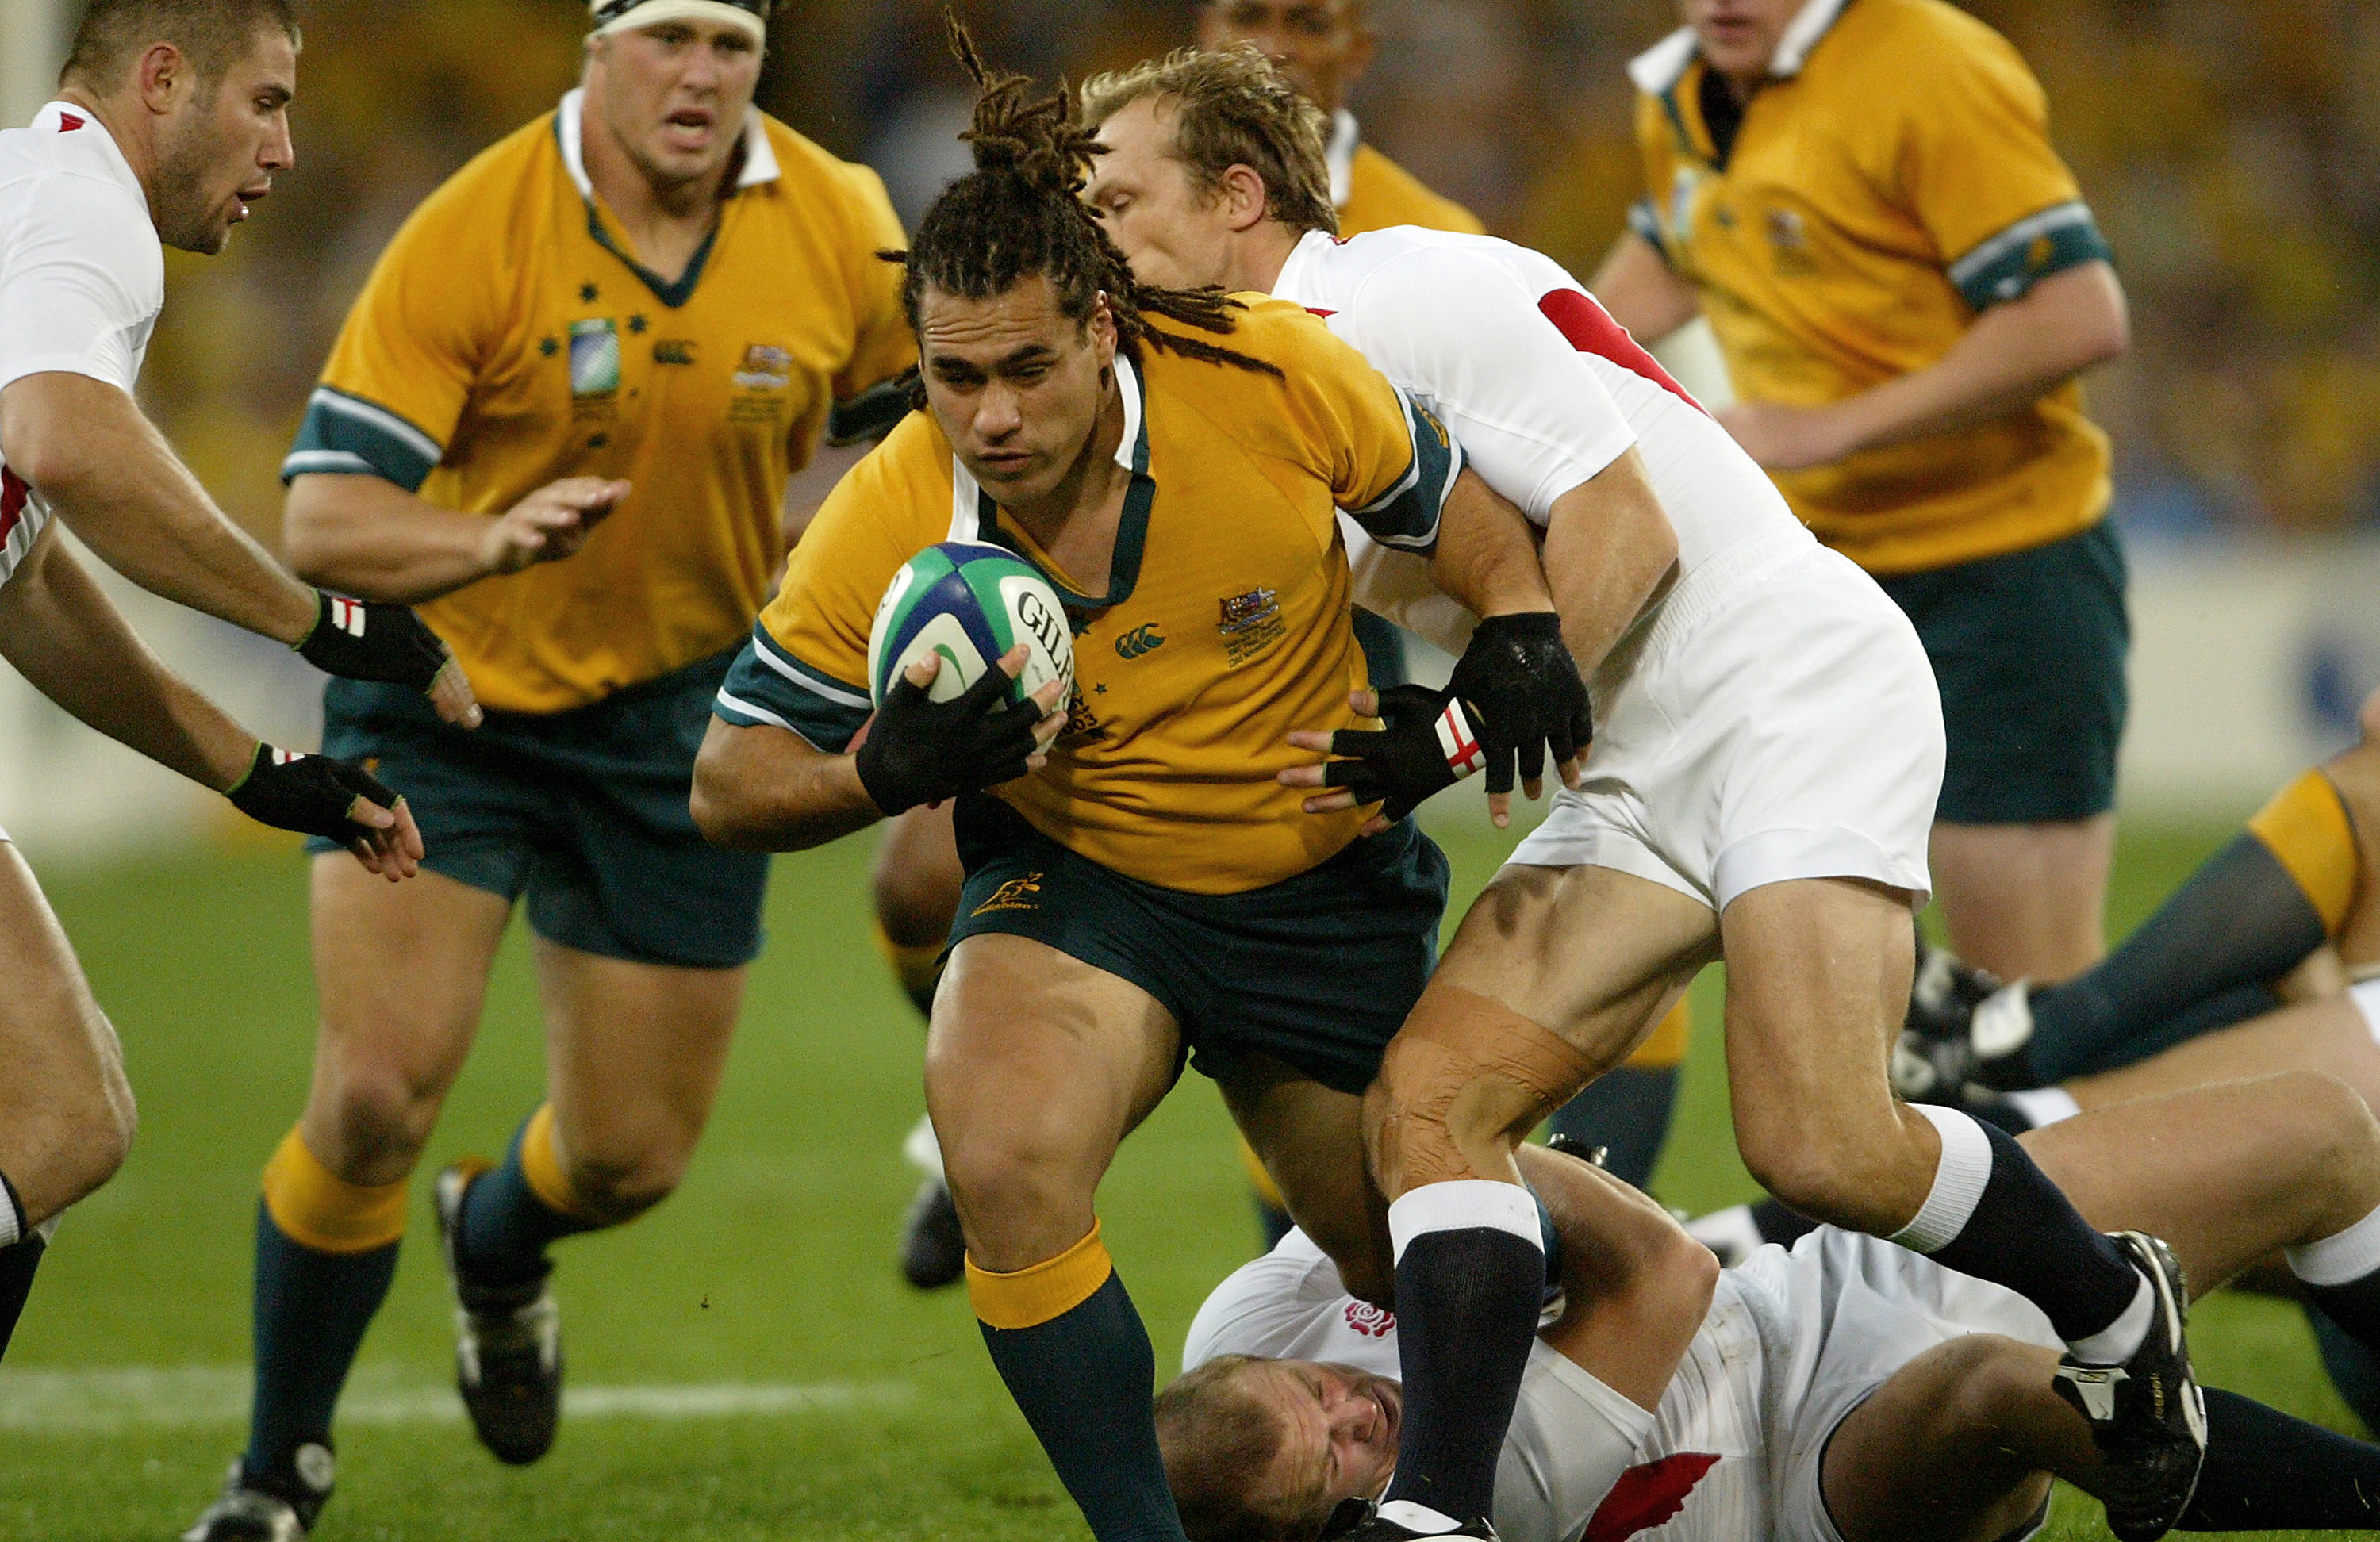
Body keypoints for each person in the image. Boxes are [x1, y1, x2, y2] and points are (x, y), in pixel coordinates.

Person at [1075, 47, 2200, 1542]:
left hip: (1780, 683)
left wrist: (1461, 733)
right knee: (1428, 1107)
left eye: (1119, 196)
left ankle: (2116, 1300)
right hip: (1636, 752)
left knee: (1823, 1145)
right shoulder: (1253, 377)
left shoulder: (1386, 301)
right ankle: (1438, 1515)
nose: (1097, 231)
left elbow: (1630, 521)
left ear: (1238, 194)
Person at [691, 29, 1583, 1542]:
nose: (992, 415)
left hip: (1320, 890)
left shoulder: (1277, 373)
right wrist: (878, 766)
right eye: (957, 376)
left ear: (1105, 324)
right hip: (1085, 887)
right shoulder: (897, 505)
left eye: (1029, 366)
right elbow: (726, 783)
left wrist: (1517, 627)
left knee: (1424, 1261)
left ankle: (1653, 1392)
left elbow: (1459, 510)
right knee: (1004, 1149)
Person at [180, 2, 918, 1536]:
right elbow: (321, 521)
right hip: (455, 708)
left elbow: (919, 435)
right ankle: (276, 1470)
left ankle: (496, 1237)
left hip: (689, 724)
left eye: (731, 40)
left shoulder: (843, 217)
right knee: (376, 1089)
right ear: (597, 48)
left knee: (631, 1156)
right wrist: (479, 540)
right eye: (668, 38)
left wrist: (833, 519)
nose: (701, 75)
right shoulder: (478, 226)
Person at [875, 0, 1610, 1292]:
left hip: (1335, 632)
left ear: (1245, 183)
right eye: (1243, 13)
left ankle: (1532, 1238)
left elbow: (1558, 466)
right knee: (913, 883)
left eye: (1301, 17)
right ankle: (995, 1109)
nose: (1266, 38)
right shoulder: (1133, 218)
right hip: (1149, 646)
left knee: (1379, 1071)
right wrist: (1002, 373)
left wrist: (1514, 645)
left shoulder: (1395, 250)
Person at [0, 0, 467, 1364]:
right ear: (161, 81)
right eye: (264, 103)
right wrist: (321, 623)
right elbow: (69, 443)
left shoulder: (34, 207)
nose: (285, 147)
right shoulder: (85, 211)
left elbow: (25, 580)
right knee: (52, 1113)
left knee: (64, 1116)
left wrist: (258, 769)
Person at [1162, 1079, 2380, 1542]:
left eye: (1315, 1396)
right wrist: (1489, 1155)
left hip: (1814, 1288)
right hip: (1802, 1466)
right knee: (1999, 1383)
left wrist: (1449, 1161)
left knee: (2325, 1138)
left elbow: (1378, 1175)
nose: (1354, 1414)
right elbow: (1661, 1273)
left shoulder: (1241, 1328)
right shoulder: (1481, 1489)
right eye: (1337, 1462)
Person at [1590, 0, 2131, 988]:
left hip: (1999, 571)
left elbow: (2076, 314)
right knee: (1845, 984)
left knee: (2033, 1008)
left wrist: (1822, 427)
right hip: (1827, 586)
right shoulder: (1680, 92)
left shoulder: (1930, 62)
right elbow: (1667, 265)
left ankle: (2297, 1072)